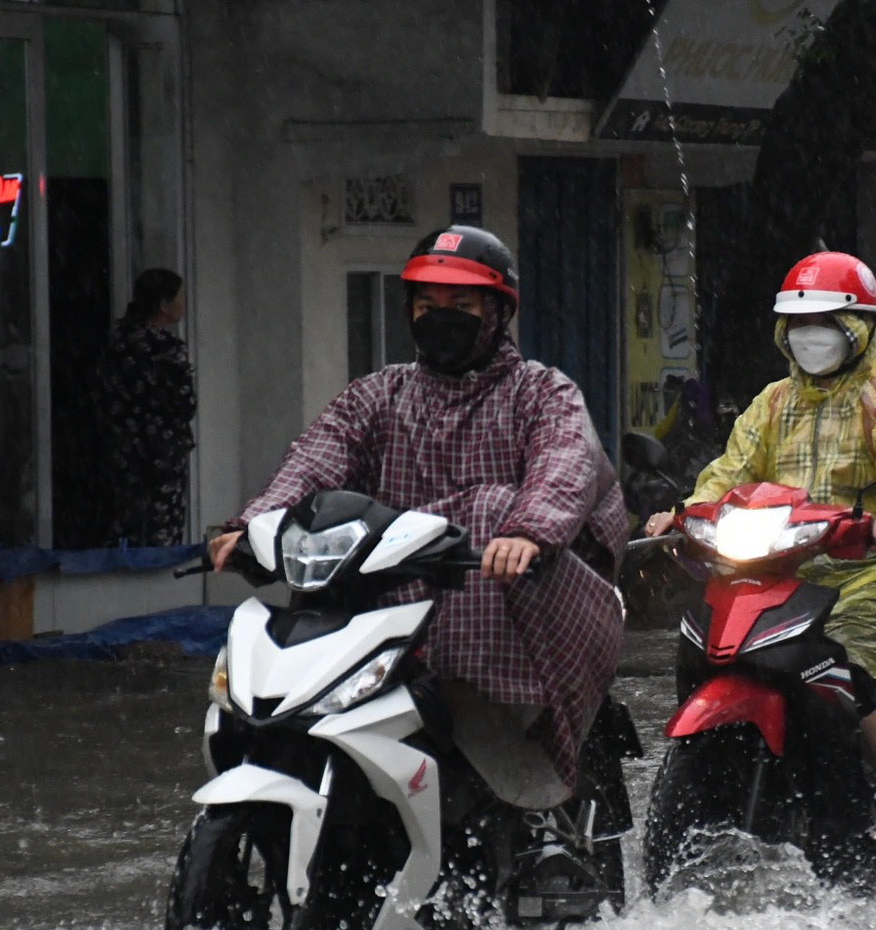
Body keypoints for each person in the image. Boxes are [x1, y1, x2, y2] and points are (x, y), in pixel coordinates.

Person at [208, 225, 625, 808]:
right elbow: (314, 462)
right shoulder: (378, 396)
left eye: (460, 305)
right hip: (383, 612)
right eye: (427, 305)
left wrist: (527, 531)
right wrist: (252, 527)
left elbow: (564, 463)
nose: (440, 317)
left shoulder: (541, 392)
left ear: (496, 313)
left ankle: (506, 771)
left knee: (490, 509)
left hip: (505, 600)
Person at [644, 251, 876, 852]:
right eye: (799, 324)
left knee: (840, 660)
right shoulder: (770, 405)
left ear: (859, 329)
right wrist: (684, 514)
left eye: (825, 322)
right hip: (781, 563)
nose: (810, 336)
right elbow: (728, 473)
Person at [98, 269, 196, 547]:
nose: (183, 304)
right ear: (163, 306)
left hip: (123, 449)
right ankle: (158, 585)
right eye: (178, 298)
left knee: (127, 523)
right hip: (161, 452)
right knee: (161, 525)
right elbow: (185, 403)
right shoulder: (166, 349)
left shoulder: (119, 342)